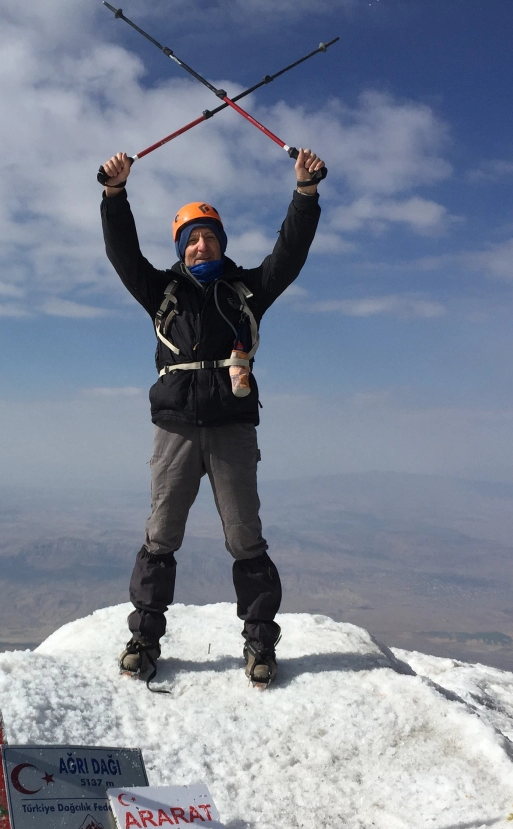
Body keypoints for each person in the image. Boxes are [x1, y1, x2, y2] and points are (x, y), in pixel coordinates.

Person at [99, 147, 325, 687]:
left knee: (246, 537)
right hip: (175, 428)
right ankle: (146, 637)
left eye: (211, 237)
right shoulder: (164, 292)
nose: (203, 245)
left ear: (223, 243)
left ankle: (260, 641)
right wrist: (114, 194)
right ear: (181, 248)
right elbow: (122, 253)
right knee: (161, 535)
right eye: (192, 239)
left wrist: (305, 194)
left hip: (231, 431)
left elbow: (289, 254)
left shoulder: (246, 289)